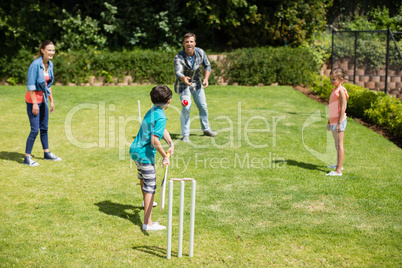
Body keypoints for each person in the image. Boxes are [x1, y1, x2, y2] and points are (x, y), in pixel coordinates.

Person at [129, 85, 175, 231]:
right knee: (150, 186)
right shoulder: (161, 115)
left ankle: (145, 202)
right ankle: (147, 223)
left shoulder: (153, 110)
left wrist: (170, 143)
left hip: (135, 150)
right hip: (144, 154)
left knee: (143, 177)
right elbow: (155, 140)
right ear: (168, 101)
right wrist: (164, 157)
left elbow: (161, 129)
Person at [174, 33, 217, 143]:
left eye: (191, 41)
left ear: (195, 43)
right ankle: (185, 135)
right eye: (187, 42)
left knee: (203, 106)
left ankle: (206, 129)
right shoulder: (179, 57)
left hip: (197, 84)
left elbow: (207, 66)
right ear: (183, 44)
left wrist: (206, 78)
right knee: (186, 108)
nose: (189, 44)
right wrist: (184, 78)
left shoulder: (200, 52)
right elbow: (178, 72)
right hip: (183, 86)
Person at [24, 40, 61, 166]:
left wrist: (51, 101)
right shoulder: (35, 65)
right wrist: (34, 103)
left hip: (44, 99)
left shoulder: (50, 65)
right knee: (35, 129)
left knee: (44, 128)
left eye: (53, 50)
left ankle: (47, 153)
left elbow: (48, 85)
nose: (51, 52)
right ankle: (27, 157)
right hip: (33, 99)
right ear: (42, 50)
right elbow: (31, 86)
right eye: (49, 50)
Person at [326, 67, 349, 176]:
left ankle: (338, 171)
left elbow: (343, 107)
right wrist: (329, 121)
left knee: (340, 145)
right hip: (334, 121)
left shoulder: (341, 90)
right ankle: (338, 165)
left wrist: (339, 123)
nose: (331, 81)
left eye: (334, 79)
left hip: (339, 122)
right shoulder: (334, 89)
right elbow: (332, 107)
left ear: (341, 79)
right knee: (336, 145)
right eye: (330, 78)